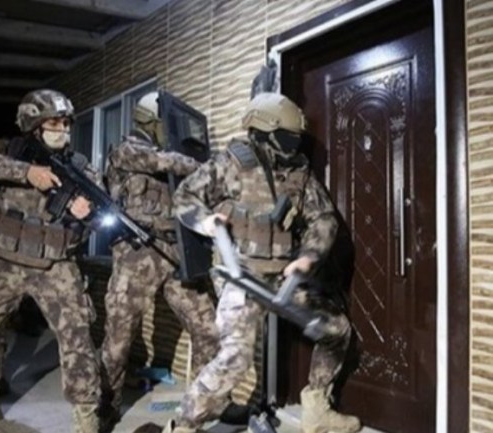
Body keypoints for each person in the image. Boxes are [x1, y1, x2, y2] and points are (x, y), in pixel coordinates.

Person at [161, 93, 361, 433]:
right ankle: (182, 425)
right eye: (287, 136)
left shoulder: (299, 172)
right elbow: (185, 196)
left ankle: (316, 408)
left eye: (296, 138)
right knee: (234, 359)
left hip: (285, 279)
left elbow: (324, 218)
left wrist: (308, 256)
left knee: (337, 330)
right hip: (241, 276)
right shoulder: (232, 164)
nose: (294, 144)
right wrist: (206, 221)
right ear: (263, 131)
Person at [0, 89, 101, 433]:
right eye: (55, 123)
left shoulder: (80, 168)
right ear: (33, 125)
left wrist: (85, 214)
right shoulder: (9, 150)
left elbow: (97, 219)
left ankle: (86, 417)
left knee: (77, 340)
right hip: (4, 261)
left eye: (66, 124)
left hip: (55, 265)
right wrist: (26, 172)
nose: (63, 130)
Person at [99, 91, 219, 431]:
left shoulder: (171, 156)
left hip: (176, 252)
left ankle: (198, 411)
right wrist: (205, 166)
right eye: (166, 124)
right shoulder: (128, 150)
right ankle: (103, 408)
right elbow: (164, 162)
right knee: (118, 339)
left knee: (208, 329)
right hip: (137, 254)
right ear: (150, 122)